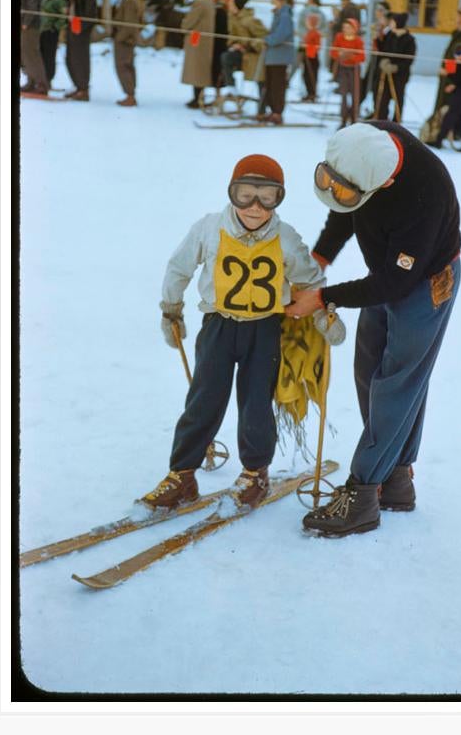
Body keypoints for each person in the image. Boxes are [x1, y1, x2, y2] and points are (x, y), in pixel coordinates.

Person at [285, 121, 461, 537]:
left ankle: (363, 494)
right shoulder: (365, 145)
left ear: (382, 184)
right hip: (384, 272)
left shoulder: (425, 195)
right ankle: (396, 479)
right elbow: (344, 210)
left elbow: (396, 284)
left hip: (424, 283)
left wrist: (325, 297)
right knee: (369, 370)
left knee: (398, 382)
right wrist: (318, 263)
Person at [141, 154, 344, 511]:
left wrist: (323, 312)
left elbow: (310, 279)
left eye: (267, 197)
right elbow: (179, 267)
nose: (254, 207)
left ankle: (255, 473)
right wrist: (171, 309)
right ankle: (182, 475)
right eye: (244, 194)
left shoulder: (285, 237)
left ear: (279, 198)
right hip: (218, 325)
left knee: (255, 404)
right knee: (203, 399)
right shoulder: (209, 228)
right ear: (231, 193)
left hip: (264, 329)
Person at [430, 1, 461, 150]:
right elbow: (453, 57)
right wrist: (447, 71)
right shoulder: (458, 34)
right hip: (454, 78)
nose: (457, 17)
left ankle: (440, 139)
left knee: (453, 112)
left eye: (460, 15)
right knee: (458, 113)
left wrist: (452, 79)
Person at [256, 0, 295, 125]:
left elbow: (281, 35)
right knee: (271, 85)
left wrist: (267, 40)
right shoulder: (278, 13)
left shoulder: (284, 14)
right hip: (273, 57)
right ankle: (273, 111)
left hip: (280, 57)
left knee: (278, 86)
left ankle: (277, 113)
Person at [64, 0, 98, 101]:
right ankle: (78, 86)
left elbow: (90, 14)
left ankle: (83, 89)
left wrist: (79, 28)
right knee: (70, 58)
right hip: (72, 26)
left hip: (80, 29)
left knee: (80, 58)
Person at [181, 0, 216, 108]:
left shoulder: (200, 1)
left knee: (195, 68)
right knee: (199, 69)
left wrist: (183, 26)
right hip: (204, 39)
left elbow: (191, 20)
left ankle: (197, 98)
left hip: (197, 37)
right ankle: (198, 97)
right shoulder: (209, 1)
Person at [112, 0, 145, 108]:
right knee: (127, 66)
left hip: (125, 40)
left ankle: (130, 96)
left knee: (123, 66)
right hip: (125, 39)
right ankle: (130, 94)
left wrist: (119, 38)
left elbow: (129, 24)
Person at [374, 12, 417, 121]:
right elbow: (383, 50)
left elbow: (409, 59)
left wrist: (396, 67)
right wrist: (383, 62)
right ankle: (382, 120)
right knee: (383, 99)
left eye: (393, 22)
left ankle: (396, 122)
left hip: (400, 76)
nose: (391, 23)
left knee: (398, 99)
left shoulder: (409, 39)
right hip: (386, 73)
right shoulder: (390, 35)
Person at [221, 0, 267, 93]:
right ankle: (231, 87)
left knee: (261, 82)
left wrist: (246, 46)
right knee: (225, 57)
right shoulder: (233, 19)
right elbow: (231, 37)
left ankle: (262, 106)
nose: (229, 6)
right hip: (242, 54)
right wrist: (234, 44)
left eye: (231, 3)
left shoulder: (250, 21)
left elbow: (264, 38)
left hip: (254, 56)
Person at [331, 17, 366, 127]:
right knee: (344, 94)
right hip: (343, 69)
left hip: (354, 70)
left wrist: (351, 56)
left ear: (354, 29)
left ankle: (354, 118)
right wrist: (340, 55)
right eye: (344, 27)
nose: (346, 30)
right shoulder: (339, 37)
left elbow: (362, 57)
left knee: (355, 94)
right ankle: (343, 119)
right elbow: (333, 52)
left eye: (349, 27)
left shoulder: (358, 40)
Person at [20, 0, 48, 95]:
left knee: (32, 54)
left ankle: (41, 83)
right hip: (30, 26)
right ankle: (31, 81)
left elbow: (31, 8)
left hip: (31, 26)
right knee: (27, 54)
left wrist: (25, 23)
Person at [297, 0, 328, 102]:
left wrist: (307, 37)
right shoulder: (322, 14)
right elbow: (324, 30)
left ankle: (311, 92)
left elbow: (300, 28)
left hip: (306, 45)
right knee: (313, 69)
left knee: (307, 70)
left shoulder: (304, 12)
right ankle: (312, 91)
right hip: (315, 45)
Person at [360, 1, 390, 109]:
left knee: (377, 85)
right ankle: (357, 105)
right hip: (374, 55)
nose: (378, 12)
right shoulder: (376, 25)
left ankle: (376, 109)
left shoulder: (387, 26)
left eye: (380, 10)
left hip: (382, 58)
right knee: (367, 81)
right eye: (377, 10)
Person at [39, 0, 67, 90]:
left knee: (49, 57)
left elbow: (63, 17)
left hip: (51, 32)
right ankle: (41, 79)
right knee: (41, 55)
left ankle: (48, 80)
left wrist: (55, 27)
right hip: (42, 31)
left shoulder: (60, 1)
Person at [211, 0, 229, 92]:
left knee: (217, 70)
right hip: (218, 45)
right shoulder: (221, 11)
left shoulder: (219, 11)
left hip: (217, 46)